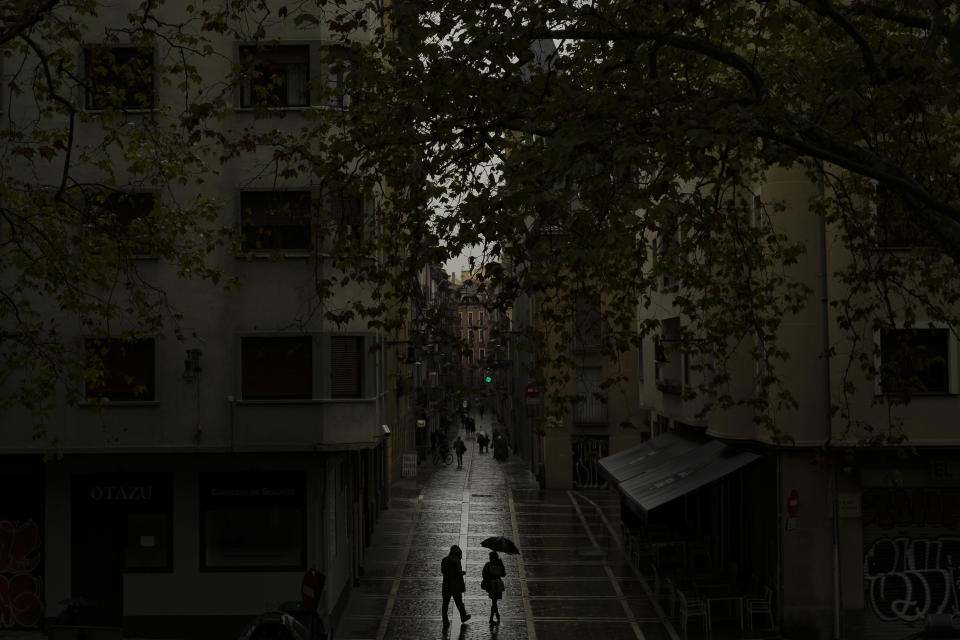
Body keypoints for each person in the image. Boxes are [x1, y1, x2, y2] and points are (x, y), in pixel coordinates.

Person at [440, 545, 471, 626]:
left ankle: (445, 620)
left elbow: (443, 571)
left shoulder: (444, 560)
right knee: (459, 602)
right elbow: (458, 572)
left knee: (445, 603)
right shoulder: (456, 560)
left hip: (446, 584)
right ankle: (463, 616)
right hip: (455, 585)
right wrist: (463, 573)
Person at [481, 551, 506, 624]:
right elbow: (503, 574)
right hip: (498, 585)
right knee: (494, 601)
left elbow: (484, 574)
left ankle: (492, 618)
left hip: (492, 585)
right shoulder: (500, 564)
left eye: (490, 557)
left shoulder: (488, 565)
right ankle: (495, 616)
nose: (489, 558)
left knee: (494, 601)